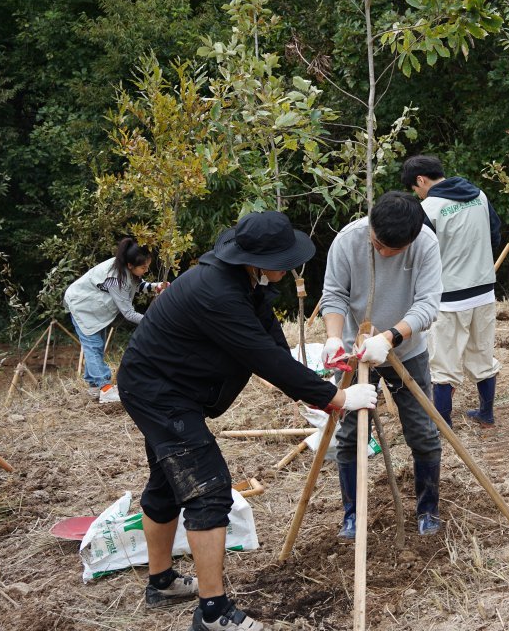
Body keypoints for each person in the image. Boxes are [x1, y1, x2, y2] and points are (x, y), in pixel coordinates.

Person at [117, 211, 377, 631]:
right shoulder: (217, 292)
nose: (290, 265)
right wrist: (336, 396)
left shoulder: (243, 278)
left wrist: (311, 380)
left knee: (166, 482)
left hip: (164, 386)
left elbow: (269, 337)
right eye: (285, 259)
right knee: (209, 491)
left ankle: (161, 583)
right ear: (260, 258)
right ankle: (214, 613)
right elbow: (261, 357)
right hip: (158, 393)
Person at [321, 192, 444, 537]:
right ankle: (352, 515)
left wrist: (390, 337)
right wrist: (334, 338)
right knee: (349, 435)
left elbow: (428, 304)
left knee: (422, 430)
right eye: (377, 244)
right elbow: (334, 294)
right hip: (355, 352)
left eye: (394, 250)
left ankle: (428, 510)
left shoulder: (425, 244)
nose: (383, 252)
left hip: (406, 350)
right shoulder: (348, 240)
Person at [401, 154, 502, 428]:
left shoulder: (429, 208)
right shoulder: (479, 195)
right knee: (482, 355)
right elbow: (495, 234)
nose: (417, 193)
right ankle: (486, 414)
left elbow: (419, 255)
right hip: (483, 290)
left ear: (421, 180)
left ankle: (442, 424)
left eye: (415, 188)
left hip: (448, 298)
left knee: (442, 366)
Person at [63, 237, 167, 403]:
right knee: (93, 347)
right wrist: (154, 321)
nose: (146, 270)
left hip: (95, 309)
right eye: (143, 267)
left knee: (96, 347)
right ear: (130, 265)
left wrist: (156, 286)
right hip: (82, 306)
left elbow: (137, 284)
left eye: (147, 266)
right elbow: (129, 313)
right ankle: (105, 388)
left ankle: (94, 387)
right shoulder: (116, 279)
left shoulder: (125, 266)